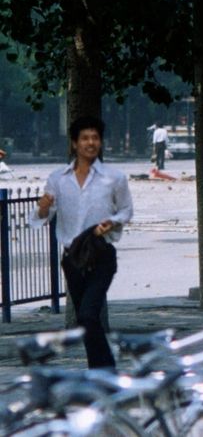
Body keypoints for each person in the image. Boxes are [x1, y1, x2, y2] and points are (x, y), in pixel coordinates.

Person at [30, 116, 133, 369]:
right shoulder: (58, 179)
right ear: (74, 143)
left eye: (95, 138)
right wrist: (42, 208)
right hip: (72, 258)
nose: (91, 143)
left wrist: (112, 222)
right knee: (86, 320)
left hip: (101, 256)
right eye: (85, 138)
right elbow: (41, 218)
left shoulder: (114, 178)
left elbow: (126, 211)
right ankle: (99, 370)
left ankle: (106, 370)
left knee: (88, 313)